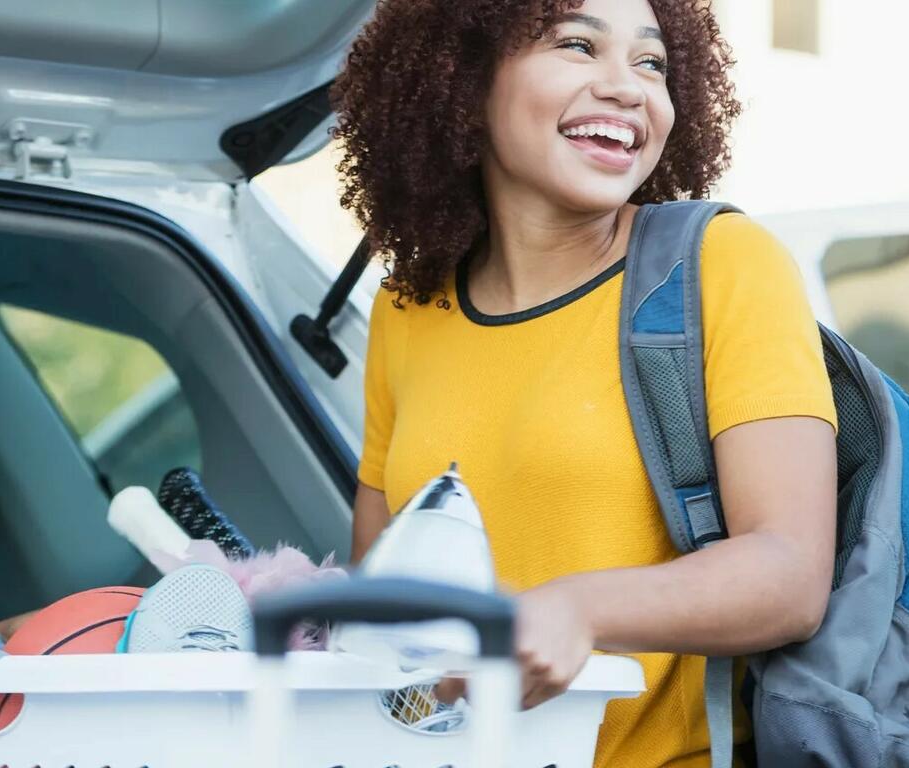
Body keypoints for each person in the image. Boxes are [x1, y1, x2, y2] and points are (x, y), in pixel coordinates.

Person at [333, 0, 840, 765]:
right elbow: (383, 607)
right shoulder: (406, 308)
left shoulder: (721, 264)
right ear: (465, 77)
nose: (629, 89)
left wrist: (577, 609)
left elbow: (791, 574)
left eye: (651, 64)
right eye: (577, 45)